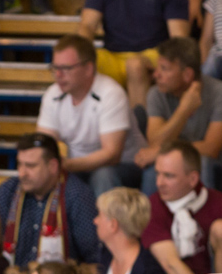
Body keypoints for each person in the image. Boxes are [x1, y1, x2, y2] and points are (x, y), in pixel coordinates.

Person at [136, 37, 222, 197]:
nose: (156, 75)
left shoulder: (221, 93)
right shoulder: (156, 94)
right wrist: (183, 110)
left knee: (201, 162)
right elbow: (155, 142)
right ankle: (152, 221)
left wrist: (159, 152)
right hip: (179, 163)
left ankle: (203, 220)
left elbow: (211, 149)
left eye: (165, 69)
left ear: (187, 74)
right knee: (155, 168)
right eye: (157, 67)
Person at [37, 34, 143, 196]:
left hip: (126, 166)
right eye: (55, 68)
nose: (58, 75)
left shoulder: (110, 93)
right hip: (79, 166)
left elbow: (111, 155)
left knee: (103, 175)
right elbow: (44, 143)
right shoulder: (52, 94)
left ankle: (107, 221)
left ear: (88, 69)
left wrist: (67, 165)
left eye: (66, 68)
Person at [143, 140, 222, 274]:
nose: (159, 183)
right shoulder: (153, 206)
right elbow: (171, 266)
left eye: (168, 176)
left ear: (192, 179)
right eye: (157, 174)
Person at [0, 133, 103, 268]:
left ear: (53, 166)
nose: (22, 173)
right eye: (19, 164)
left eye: (30, 166)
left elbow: (94, 258)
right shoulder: (8, 191)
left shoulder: (77, 195)